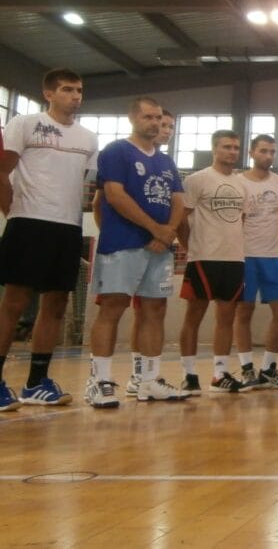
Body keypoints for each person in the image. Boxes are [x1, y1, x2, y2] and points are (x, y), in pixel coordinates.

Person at [0, 68, 98, 411]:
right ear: (49, 94)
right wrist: (14, 212)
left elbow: (84, 182)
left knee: (56, 304)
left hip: (68, 228)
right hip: (28, 222)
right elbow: (2, 170)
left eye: (80, 90)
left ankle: (35, 382)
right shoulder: (24, 124)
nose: (76, 96)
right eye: (68, 89)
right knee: (14, 302)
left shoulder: (88, 138)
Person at [85, 97, 186, 407]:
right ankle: (99, 380)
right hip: (123, 244)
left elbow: (178, 200)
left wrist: (167, 232)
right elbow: (114, 196)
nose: (154, 122)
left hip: (160, 248)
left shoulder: (166, 161)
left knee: (154, 310)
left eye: (159, 117)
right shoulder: (117, 151)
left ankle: (149, 380)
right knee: (113, 308)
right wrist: (155, 229)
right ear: (133, 118)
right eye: (148, 117)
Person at [177, 130, 249, 394]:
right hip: (203, 257)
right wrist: (190, 246)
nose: (232, 151)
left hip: (233, 259)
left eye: (236, 147)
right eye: (227, 147)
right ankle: (189, 374)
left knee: (226, 317)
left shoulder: (242, 184)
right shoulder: (197, 180)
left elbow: (240, 218)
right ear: (214, 149)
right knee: (193, 316)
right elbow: (180, 219)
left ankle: (220, 374)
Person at [232, 135, 278, 390]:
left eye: (272, 152)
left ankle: (269, 367)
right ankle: (247, 368)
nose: (268, 156)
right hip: (244, 255)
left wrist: (273, 243)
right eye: (264, 151)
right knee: (243, 311)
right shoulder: (237, 182)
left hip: (272, 256)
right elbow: (236, 218)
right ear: (252, 152)